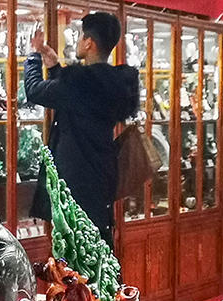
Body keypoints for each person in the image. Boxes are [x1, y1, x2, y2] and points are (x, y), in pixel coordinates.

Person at [25, 12, 139, 248]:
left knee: (74, 254)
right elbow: (76, 101)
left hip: (75, 183)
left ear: (89, 43)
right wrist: (56, 68)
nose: (77, 42)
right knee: (97, 248)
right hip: (100, 178)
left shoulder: (80, 84)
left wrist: (34, 55)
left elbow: (34, 90)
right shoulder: (112, 83)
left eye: (80, 37)